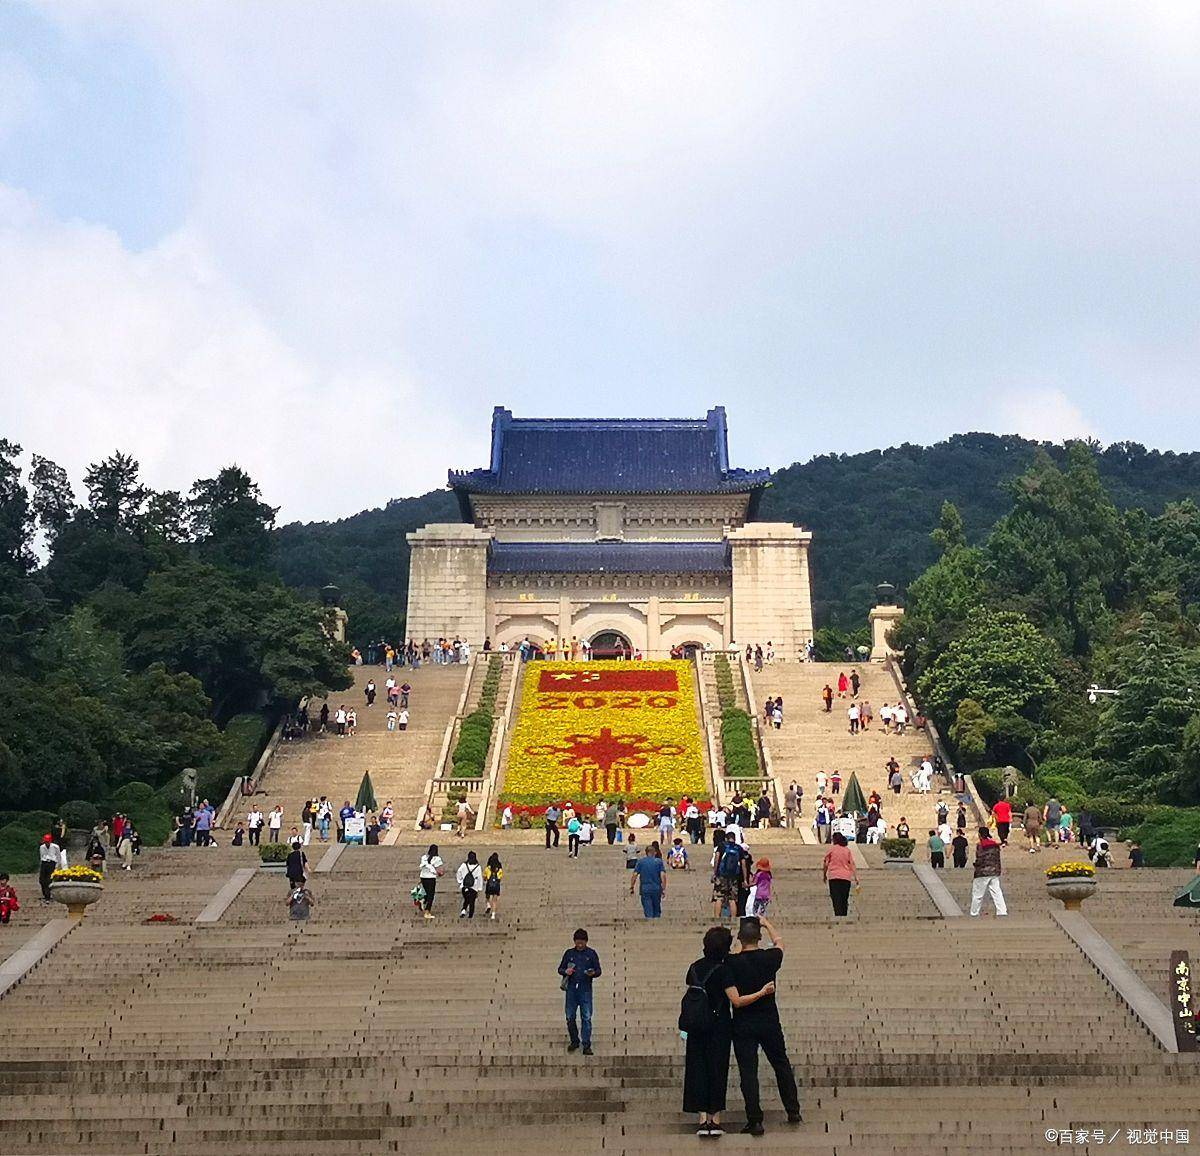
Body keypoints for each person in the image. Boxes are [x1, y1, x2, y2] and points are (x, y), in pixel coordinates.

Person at [725, 916, 802, 1135]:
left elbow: (730, 957)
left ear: (740, 939)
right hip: (769, 1020)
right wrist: (767, 923)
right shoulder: (770, 958)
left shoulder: (732, 963)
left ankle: (755, 1119)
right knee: (781, 1064)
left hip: (742, 1022)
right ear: (759, 938)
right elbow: (780, 943)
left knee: (748, 1071)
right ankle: (793, 1109)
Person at [681, 925, 735, 1137]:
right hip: (719, 1025)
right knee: (717, 1069)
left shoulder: (694, 967)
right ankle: (715, 1118)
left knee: (697, 1068)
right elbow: (734, 999)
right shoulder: (724, 970)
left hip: (696, 1025)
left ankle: (702, 1118)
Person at [558, 928, 602, 1055]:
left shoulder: (591, 954)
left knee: (586, 1017)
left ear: (586, 941)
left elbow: (598, 970)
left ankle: (586, 1044)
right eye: (578, 942)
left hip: (585, 989)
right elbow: (560, 968)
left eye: (582, 942)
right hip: (571, 989)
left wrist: (592, 973)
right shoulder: (569, 953)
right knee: (570, 1016)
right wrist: (566, 971)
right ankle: (574, 1040)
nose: (580, 944)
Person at [969, 826, 1007, 916]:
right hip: (994, 871)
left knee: (978, 894)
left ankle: (974, 912)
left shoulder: (980, 845)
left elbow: (980, 858)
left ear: (980, 835)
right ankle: (1002, 911)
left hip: (982, 872)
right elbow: (997, 859)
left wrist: (976, 865)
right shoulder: (995, 844)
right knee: (997, 892)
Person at [822, 832, 858, 916]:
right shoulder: (847, 850)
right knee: (844, 898)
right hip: (846, 877)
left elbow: (826, 863)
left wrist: (824, 875)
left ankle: (838, 915)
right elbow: (852, 864)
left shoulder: (831, 850)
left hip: (834, 877)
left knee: (836, 897)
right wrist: (856, 877)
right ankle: (844, 914)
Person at [631, 842, 668, 918]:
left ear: (646, 852)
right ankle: (656, 922)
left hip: (645, 888)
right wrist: (663, 888)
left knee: (647, 908)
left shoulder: (641, 862)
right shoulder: (658, 862)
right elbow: (663, 875)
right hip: (656, 888)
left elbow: (635, 875)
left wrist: (632, 886)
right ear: (655, 852)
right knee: (656, 908)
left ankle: (649, 921)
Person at [418, 845, 445, 919]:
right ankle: (427, 911)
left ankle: (423, 900)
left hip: (423, 877)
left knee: (426, 892)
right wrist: (440, 874)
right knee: (431, 895)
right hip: (431, 878)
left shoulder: (424, 857)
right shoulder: (437, 859)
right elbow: (440, 871)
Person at [456, 851, 483, 919]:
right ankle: (470, 915)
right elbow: (479, 877)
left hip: (464, 886)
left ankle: (463, 910)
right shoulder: (478, 867)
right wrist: (479, 888)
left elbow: (458, 872)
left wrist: (460, 881)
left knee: (466, 899)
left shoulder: (464, 865)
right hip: (474, 887)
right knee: (472, 901)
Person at [38, 834, 60, 902]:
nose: (47, 843)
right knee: (42, 880)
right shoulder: (42, 847)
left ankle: (48, 896)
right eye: (45, 842)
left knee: (48, 880)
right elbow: (41, 856)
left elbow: (58, 856)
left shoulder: (55, 847)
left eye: (48, 842)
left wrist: (57, 865)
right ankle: (45, 894)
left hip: (52, 863)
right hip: (44, 863)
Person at [483, 852, 503, 919]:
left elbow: (485, 878)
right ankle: (493, 914)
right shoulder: (499, 869)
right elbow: (500, 878)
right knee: (494, 900)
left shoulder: (488, 868)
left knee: (487, 896)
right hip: (496, 886)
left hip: (489, 885)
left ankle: (488, 905)